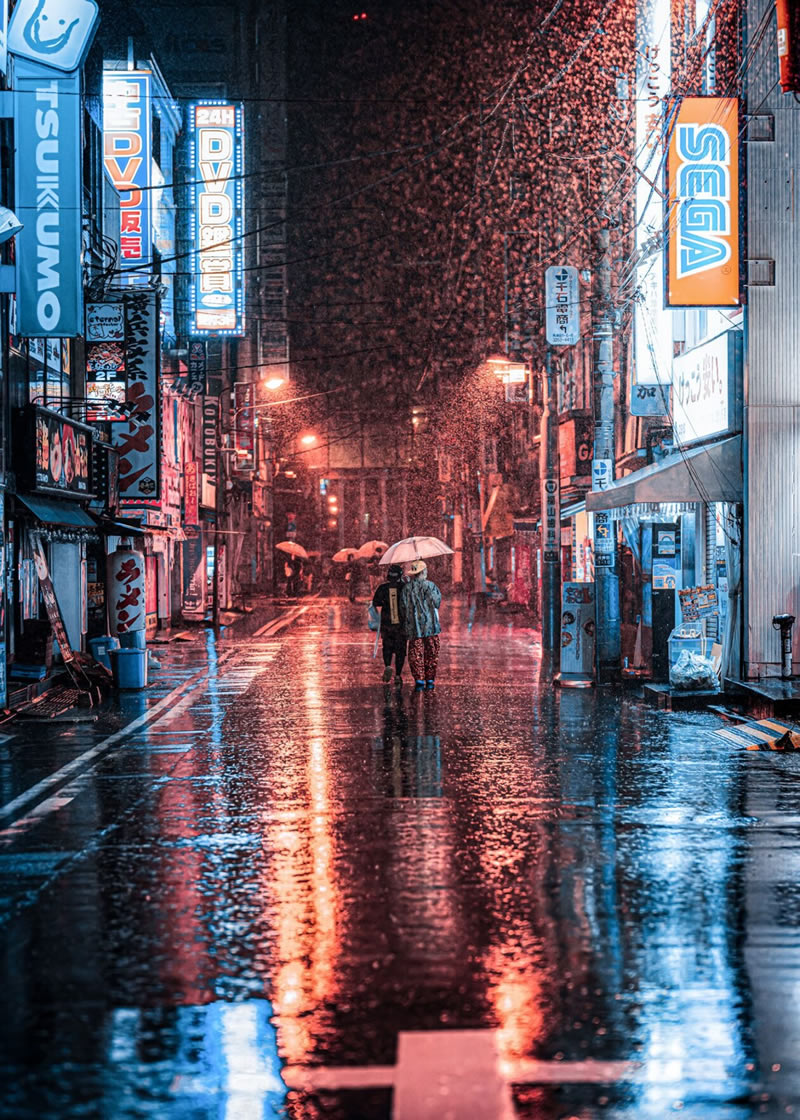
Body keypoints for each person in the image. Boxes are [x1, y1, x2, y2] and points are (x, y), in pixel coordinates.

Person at [401, 559, 442, 690]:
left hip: (414, 626)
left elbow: (403, 607)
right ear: (423, 572)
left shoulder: (406, 588)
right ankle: (430, 678)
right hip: (431, 625)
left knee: (415, 653)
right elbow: (437, 603)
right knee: (431, 652)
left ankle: (419, 678)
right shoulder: (431, 586)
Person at [372, 563, 407, 685]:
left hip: (387, 624)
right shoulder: (404, 587)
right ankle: (397, 674)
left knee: (387, 647)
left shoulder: (382, 588)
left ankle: (387, 665)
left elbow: (375, 603)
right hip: (401, 626)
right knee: (400, 650)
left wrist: (385, 602)